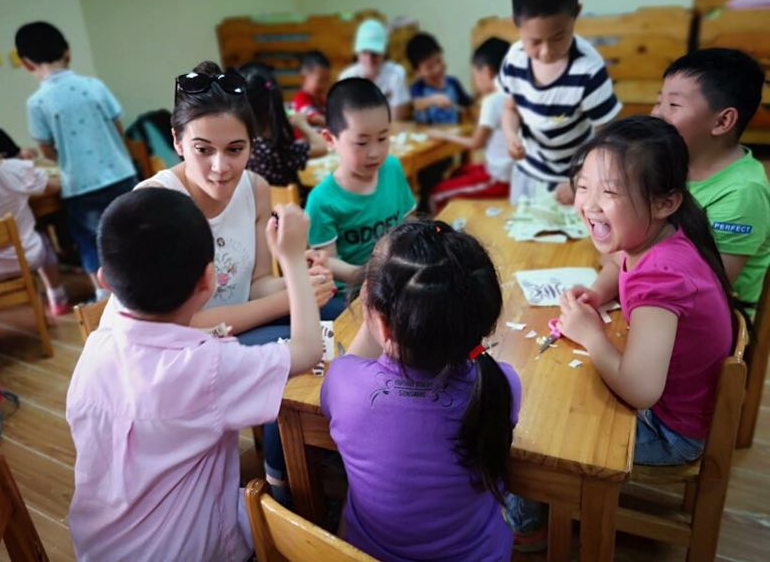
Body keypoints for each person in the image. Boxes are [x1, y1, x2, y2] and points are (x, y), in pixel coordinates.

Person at [66, 187, 323, 561]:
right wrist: (293, 259)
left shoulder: (97, 345)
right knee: (295, 524)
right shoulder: (207, 367)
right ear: (208, 281)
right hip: (189, 551)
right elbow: (307, 351)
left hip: (98, 547)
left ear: (105, 280)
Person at [322, 219, 521, 561]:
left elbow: (351, 365)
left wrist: (378, 321)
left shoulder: (344, 384)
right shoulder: (502, 384)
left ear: (382, 324)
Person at [561, 116, 734, 464]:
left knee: (550, 435)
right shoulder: (660, 235)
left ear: (665, 203)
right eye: (583, 186)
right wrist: (598, 292)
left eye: (609, 191)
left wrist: (591, 335)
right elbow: (617, 262)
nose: (590, 204)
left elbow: (641, 390)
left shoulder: (660, 277)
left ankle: (530, 513)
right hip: (676, 411)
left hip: (669, 432)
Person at [15, 21, 137, 300]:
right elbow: (118, 129)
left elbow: (46, 149)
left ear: (26, 64)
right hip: (120, 173)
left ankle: (105, 297)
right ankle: (149, 283)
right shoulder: (94, 86)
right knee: (133, 233)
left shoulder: (37, 103)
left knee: (93, 242)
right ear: (67, 52)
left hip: (80, 185)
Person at [652, 48, 769, 316]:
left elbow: (701, 288)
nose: (657, 114)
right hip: (656, 302)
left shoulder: (743, 193)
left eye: (673, 105)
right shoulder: (674, 161)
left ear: (723, 121)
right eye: (658, 101)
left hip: (707, 329)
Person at [499, 0, 621, 204]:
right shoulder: (514, 59)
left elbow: (608, 137)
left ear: (576, 14)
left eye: (558, 38)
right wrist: (510, 135)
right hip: (527, 171)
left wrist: (582, 181)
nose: (545, 52)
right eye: (534, 41)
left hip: (572, 177)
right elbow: (510, 108)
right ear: (516, 23)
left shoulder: (588, 70)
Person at [305, 78, 416, 287]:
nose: (374, 152)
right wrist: (372, 276)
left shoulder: (392, 168)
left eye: (383, 138)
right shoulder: (321, 200)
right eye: (362, 142)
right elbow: (327, 260)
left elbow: (408, 222)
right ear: (330, 139)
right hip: (349, 293)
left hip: (393, 279)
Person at [0, 113, 69, 315]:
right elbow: (52, 187)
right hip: (26, 258)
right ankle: (57, 298)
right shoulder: (13, 170)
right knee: (43, 240)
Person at [428, 37, 513, 211]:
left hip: (499, 178)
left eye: (475, 74)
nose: (475, 80)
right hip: (506, 171)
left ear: (487, 72)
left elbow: (476, 143)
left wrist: (444, 135)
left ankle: (441, 236)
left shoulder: (493, 100)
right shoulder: (511, 93)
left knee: (436, 195)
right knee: (458, 171)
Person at [242, 62, 327, 187]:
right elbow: (323, 147)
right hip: (292, 205)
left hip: (260, 205)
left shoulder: (243, 150)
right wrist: (303, 125)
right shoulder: (281, 151)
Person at [339, 18, 411, 121]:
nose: (369, 59)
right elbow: (346, 119)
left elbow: (397, 118)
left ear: (384, 52)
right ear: (357, 53)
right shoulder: (347, 78)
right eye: (365, 52)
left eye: (375, 53)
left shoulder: (396, 74)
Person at [406, 32, 472, 125]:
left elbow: (467, 104)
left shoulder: (453, 83)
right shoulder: (418, 88)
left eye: (439, 61)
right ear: (417, 72)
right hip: (429, 137)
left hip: (454, 134)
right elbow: (416, 104)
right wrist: (433, 100)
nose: (437, 69)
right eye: (429, 67)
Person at [292, 50, 331, 127]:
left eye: (327, 80)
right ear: (304, 77)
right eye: (321, 80)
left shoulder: (321, 100)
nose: (324, 85)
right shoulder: (300, 99)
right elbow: (316, 119)